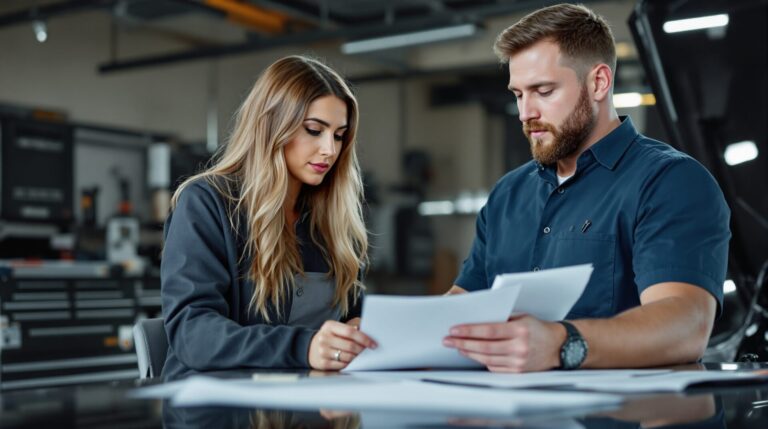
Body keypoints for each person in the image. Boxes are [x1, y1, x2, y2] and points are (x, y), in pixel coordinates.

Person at [442, 4, 730, 372]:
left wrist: (562, 343)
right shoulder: (507, 194)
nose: (525, 112)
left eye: (543, 91)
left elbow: (684, 326)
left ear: (599, 82)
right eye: (518, 94)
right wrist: (376, 338)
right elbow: (460, 306)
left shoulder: (670, 182)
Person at [161, 55, 376, 379]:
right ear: (272, 126)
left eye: (338, 135)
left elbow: (348, 314)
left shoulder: (331, 218)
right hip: (221, 408)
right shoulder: (206, 203)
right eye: (314, 130)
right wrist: (304, 347)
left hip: (314, 404)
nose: (329, 150)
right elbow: (193, 333)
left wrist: (356, 330)